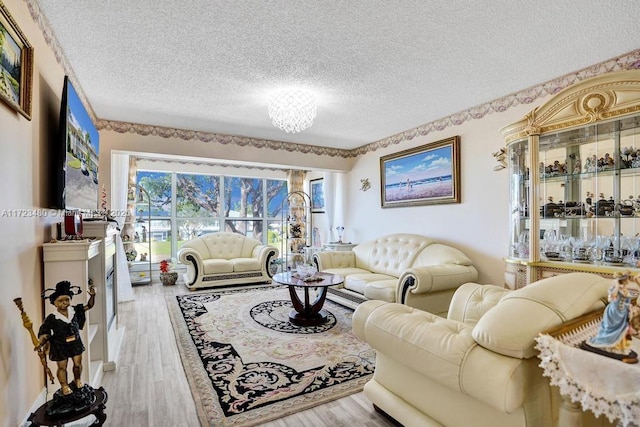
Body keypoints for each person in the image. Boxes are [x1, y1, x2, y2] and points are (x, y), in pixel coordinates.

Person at [36, 280, 96, 395]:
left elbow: (89, 306)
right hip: (60, 345)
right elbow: (45, 332)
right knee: (62, 366)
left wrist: (93, 296)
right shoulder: (52, 318)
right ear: (54, 303)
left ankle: (77, 379)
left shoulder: (75, 310)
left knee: (77, 364)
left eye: (67, 299)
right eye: (60, 301)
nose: (64, 303)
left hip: (75, 342)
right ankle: (64, 385)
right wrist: (41, 342)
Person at [584, 272, 639, 362]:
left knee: (622, 329)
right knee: (612, 328)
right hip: (615, 311)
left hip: (622, 311)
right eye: (626, 279)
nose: (627, 281)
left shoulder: (625, 288)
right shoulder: (614, 288)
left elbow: (627, 299)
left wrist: (628, 307)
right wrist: (617, 286)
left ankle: (619, 347)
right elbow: (611, 298)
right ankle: (607, 342)